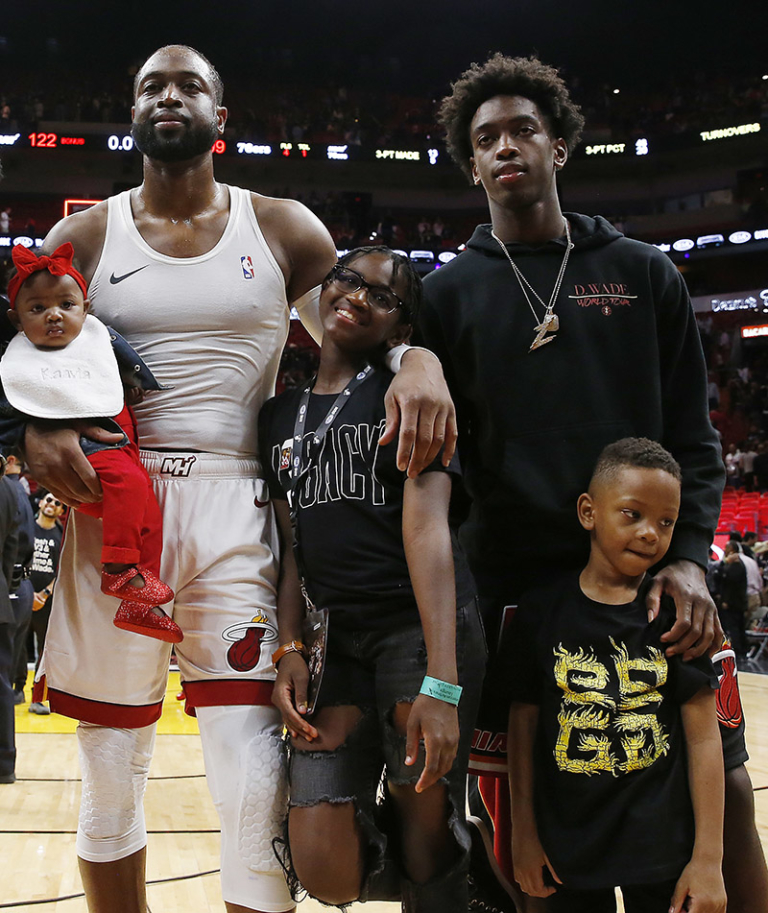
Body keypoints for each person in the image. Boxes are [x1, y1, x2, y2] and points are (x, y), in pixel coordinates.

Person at [24, 44, 454, 913]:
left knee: (253, 778)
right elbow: (25, 360)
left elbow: (355, 331)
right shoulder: (84, 236)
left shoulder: (287, 227)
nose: (169, 95)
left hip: (237, 499)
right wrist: (35, 428)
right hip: (117, 504)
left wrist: (419, 358)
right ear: (132, 112)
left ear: (221, 117)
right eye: (151, 84)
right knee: (111, 776)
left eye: (189, 85)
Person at [416, 52, 765, 912]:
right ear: (471, 164)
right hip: (515, 597)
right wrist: (410, 361)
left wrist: (687, 556)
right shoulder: (447, 294)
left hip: (650, 583)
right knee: (530, 840)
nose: (506, 147)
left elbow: (694, 432)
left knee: (726, 799)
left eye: (523, 130)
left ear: (559, 145)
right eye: (486, 137)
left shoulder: (644, 272)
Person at [260, 248, 484, 912]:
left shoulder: (411, 397)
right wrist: (290, 647)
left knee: (423, 827)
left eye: (381, 295)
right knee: (323, 864)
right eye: (348, 280)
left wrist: (442, 682)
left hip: (417, 629)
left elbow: (430, 534)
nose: (358, 296)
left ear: (401, 327)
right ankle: (467, 869)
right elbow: (292, 544)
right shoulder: (278, 417)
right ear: (325, 289)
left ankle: (446, 876)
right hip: (337, 640)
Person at [504, 439, 725, 913]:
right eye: (633, 514)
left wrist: (709, 859)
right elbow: (521, 728)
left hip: (663, 853)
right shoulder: (541, 611)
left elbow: (707, 740)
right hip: (568, 851)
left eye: (666, 522)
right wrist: (523, 833)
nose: (651, 534)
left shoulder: (675, 617)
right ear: (589, 512)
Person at [3, 241, 179, 643]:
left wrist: (133, 385)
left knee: (148, 516)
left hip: (120, 447)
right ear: (16, 320)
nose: (53, 315)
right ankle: (118, 572)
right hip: (91, 453)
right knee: (132, 487)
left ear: (87, 309)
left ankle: (138, 601)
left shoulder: (98, 343)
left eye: (66, 304)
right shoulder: (19, 360)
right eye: (37, 309)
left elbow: (125, 362)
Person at [27, 492, 65, 714]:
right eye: (49, 500)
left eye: (57, 503)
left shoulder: (62, 536)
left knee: (44, 649)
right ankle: (13, 691)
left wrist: (43, 594)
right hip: (22, 595)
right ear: (41, 503)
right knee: (13, 645)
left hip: (47, 600)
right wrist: (27, 591)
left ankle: (37, 698)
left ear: (61, 510)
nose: (52, 504)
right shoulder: (26, 528)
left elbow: (62, 570)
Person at [4, 450, 34, 705]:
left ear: (10, 460)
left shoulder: (9, 490)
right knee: (15, 651)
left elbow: (18, 541)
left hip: (12, 582)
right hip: (21, 582)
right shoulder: (20, 491)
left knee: (5, 662)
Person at [0, 465, 18, 783]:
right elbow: (12, 546)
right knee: (2, 686)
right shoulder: (9, 489)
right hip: (0, 593)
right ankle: (5, 764)